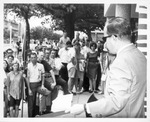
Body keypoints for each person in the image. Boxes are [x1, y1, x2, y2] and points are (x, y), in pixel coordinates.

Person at [65, 17, 147, 118]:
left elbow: (116, 102)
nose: (105, 43)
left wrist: (85, 107)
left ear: (114, 37)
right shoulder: (140, 55)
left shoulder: (122, 62)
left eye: (105, 38)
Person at [26, 51, 51, 117]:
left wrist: (42, 85)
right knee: (31, 103)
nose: (33, 59)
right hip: (31, 85)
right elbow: (27, 78)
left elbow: (43, 76)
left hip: (39, 84)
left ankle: (45, 111)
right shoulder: (28, 66)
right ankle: (31, 117)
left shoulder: (41, 65)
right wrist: (29, 89)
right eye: (32, 58)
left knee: (48, 93)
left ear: (37, 58)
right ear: (30, 58)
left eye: (34, 57)